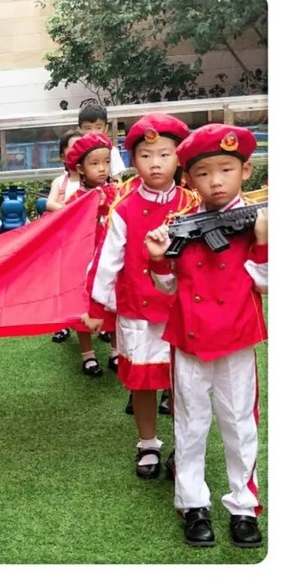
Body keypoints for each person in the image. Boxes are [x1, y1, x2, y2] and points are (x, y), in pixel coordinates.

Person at [145, 123, 267, 548]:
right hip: (190, 340)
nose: (216, 181)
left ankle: (243, 507)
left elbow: (268, 283)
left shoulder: (259, 220)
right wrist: (159, 260)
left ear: (245, 170)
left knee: (239, 425)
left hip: (236, 338)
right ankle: (193, 503)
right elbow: (168, 288)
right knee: (190, 425)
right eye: (203, 173)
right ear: (188, 179)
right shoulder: (180, 223)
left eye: (226, 169)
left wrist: (263, 242)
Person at [84, 114, 198, 480]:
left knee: (184, 383)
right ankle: (147, 443)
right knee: (142, 382)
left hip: (183, 309)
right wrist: (96, 307)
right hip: (137, 308)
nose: (155, 164)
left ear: (179, 157)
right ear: (133, 160)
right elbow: (107, 260)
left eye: (165, 154)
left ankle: (185, 445)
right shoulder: (124, 206)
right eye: (146, 156)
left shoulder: (193, 203)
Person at [62, 132, 120, 377]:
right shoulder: (75, 199)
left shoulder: (117, 192)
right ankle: (88, 354)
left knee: (114, 302)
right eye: (95, 163)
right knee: (83, 306)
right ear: (80, 169)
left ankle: (116, 351)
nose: (102, 168)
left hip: (111, 258)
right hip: (83, 262)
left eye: (106, 162)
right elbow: (68, 231)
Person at [47, 129, 83, 344]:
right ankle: (62, 323)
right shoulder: (60, 182)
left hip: (89, 240)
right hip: (65, 241)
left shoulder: (94, 180)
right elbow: (50, 203)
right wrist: (71, 210)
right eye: (73, 148)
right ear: (62, 156)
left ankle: (101, 322)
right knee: (62, 282)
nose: (78, 152)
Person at [78, 103, 126, 180]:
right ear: (80, 130)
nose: (93, 133)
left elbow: (117, 178)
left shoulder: (112, 151)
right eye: (88, 128)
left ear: (106, 129)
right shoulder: (77, 152)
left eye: (98, 128)